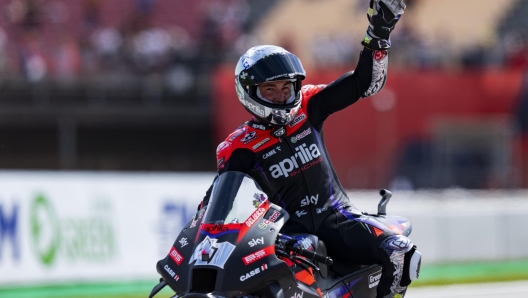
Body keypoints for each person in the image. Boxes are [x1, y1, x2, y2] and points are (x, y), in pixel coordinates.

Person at [198, 1, 419, 297]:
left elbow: (364, 84)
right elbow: (221, 202)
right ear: (249, 92)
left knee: (399, 251)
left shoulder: (308, 104)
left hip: (335, 218)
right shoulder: (237, 146)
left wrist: (378, 33)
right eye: (270, 90)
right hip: (282, 235)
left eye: (286, 88)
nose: (281, 95)